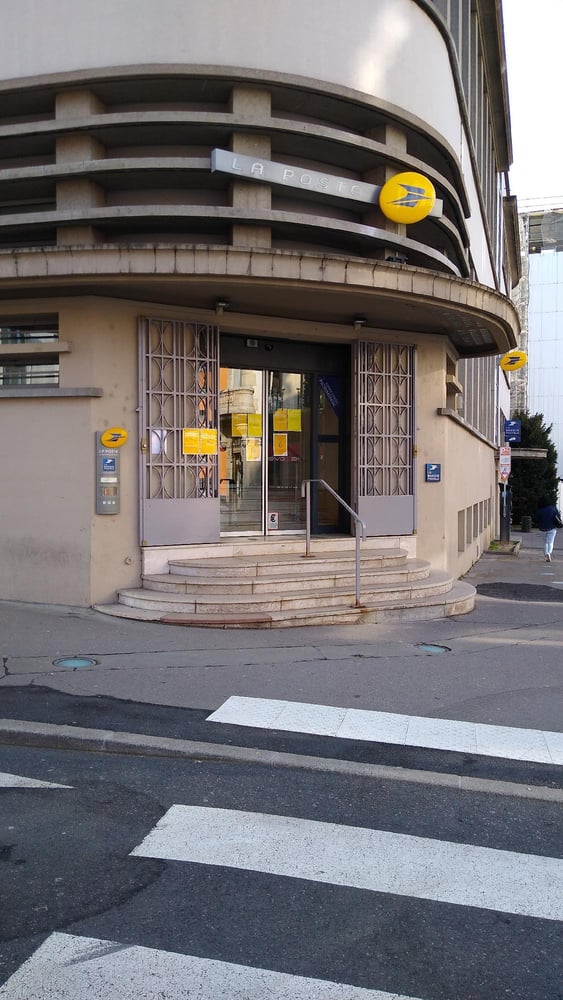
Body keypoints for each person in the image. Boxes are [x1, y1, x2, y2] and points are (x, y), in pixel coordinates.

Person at [535, 496, 561, 562]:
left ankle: (546, 554)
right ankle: (549, 553)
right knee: (551, 542)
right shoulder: (553, 508)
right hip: (552, 528)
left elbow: (536, 519)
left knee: (545, 542)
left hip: (542, 528)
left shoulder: (539, 510)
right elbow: (558, 516)